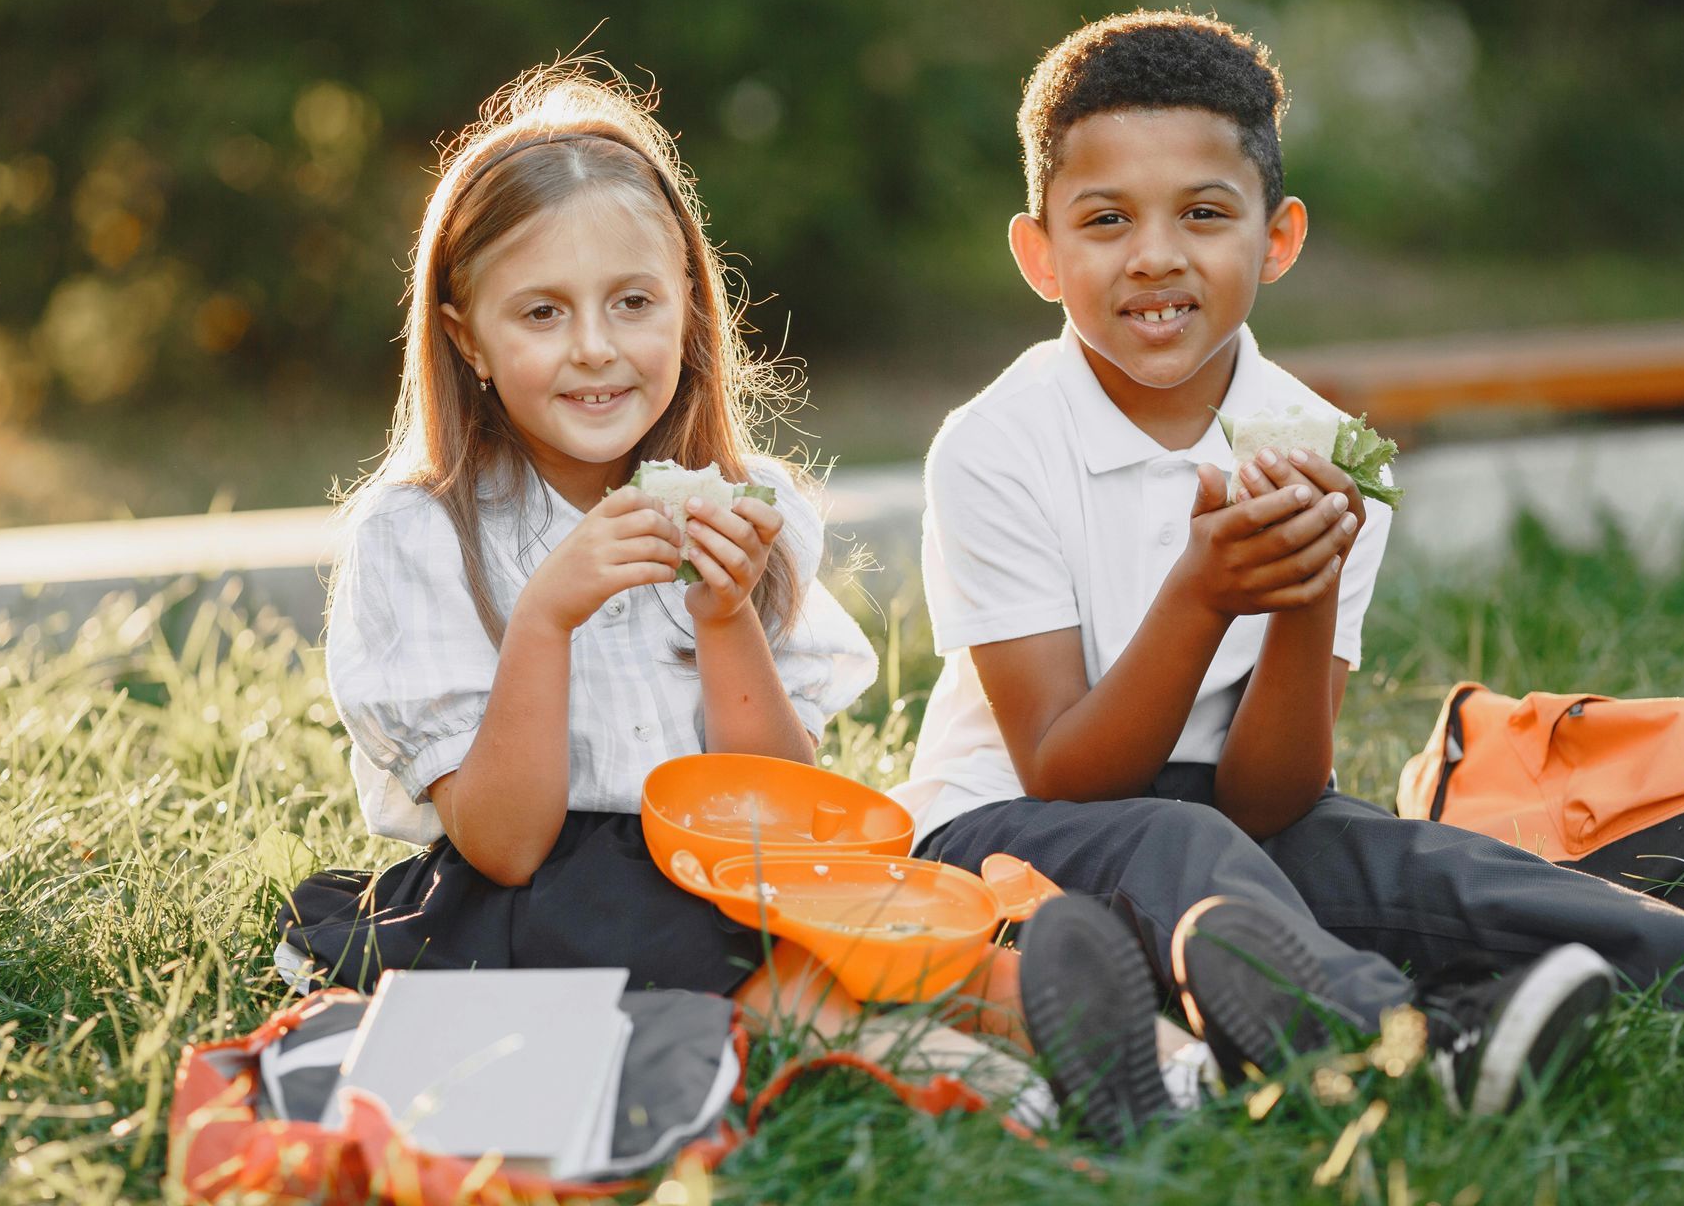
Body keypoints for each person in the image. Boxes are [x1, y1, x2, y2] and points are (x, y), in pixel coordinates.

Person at [269, 59, 1273, 1146]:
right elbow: (506, 843)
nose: (597, 347)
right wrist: (548, 616)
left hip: (742, 858)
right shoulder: (420, 534)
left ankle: (1137, 1046)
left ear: (691, 308)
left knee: (863, 915)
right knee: (712, 941)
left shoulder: (755, 506)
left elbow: (786, 799)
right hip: (542, 892)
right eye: (543, 312)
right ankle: (961, 1070)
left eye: (634, 303)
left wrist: (724, 615)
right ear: (466, 336)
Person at [889, 9, 1684, 1131]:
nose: (1154, 254)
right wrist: (1203, 592)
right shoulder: (996, 443)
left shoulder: (1324, 445)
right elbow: (1063, 770)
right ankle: (1407, 1045)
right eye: (1105, 220)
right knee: (1175, 834)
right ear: (1041, 253)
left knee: (1443, 870)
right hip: (998, 836)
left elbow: (1274, 793)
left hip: (1233, 828)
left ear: (1277, 237)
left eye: (1203, 213)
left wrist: (1306, 595)